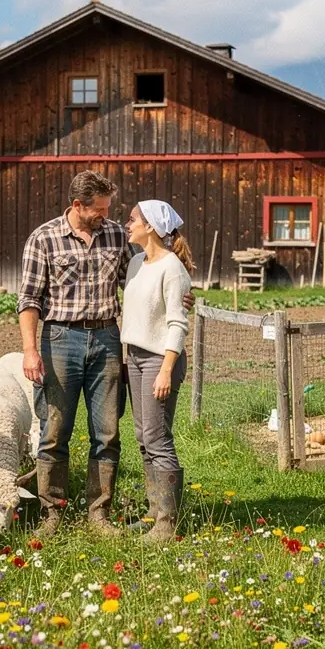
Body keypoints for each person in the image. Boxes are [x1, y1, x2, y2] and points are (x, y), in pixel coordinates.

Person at [18, 171, 130, 537]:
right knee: (53, 430)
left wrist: (178, 290)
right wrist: (30, 351)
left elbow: (141, 280)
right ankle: (52, 512)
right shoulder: (44, 238)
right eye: (98, 208)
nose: (106, 214)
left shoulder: (116, 235)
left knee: (107, 432)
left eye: (107, 207)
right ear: (77, 205)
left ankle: (99, 513)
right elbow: (29, 300)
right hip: (60, 340)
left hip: (106, 338)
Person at [121, 200, 194, 541]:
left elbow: (179, 323)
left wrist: (166, 370)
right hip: (134, 356)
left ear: (150, 225)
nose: (128, 223)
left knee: (157, 438)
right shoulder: (137, 262)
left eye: (133, 219)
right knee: (142, 437)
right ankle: (154, 511)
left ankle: (167, 522)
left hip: (159, 359)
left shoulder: (173, 268)